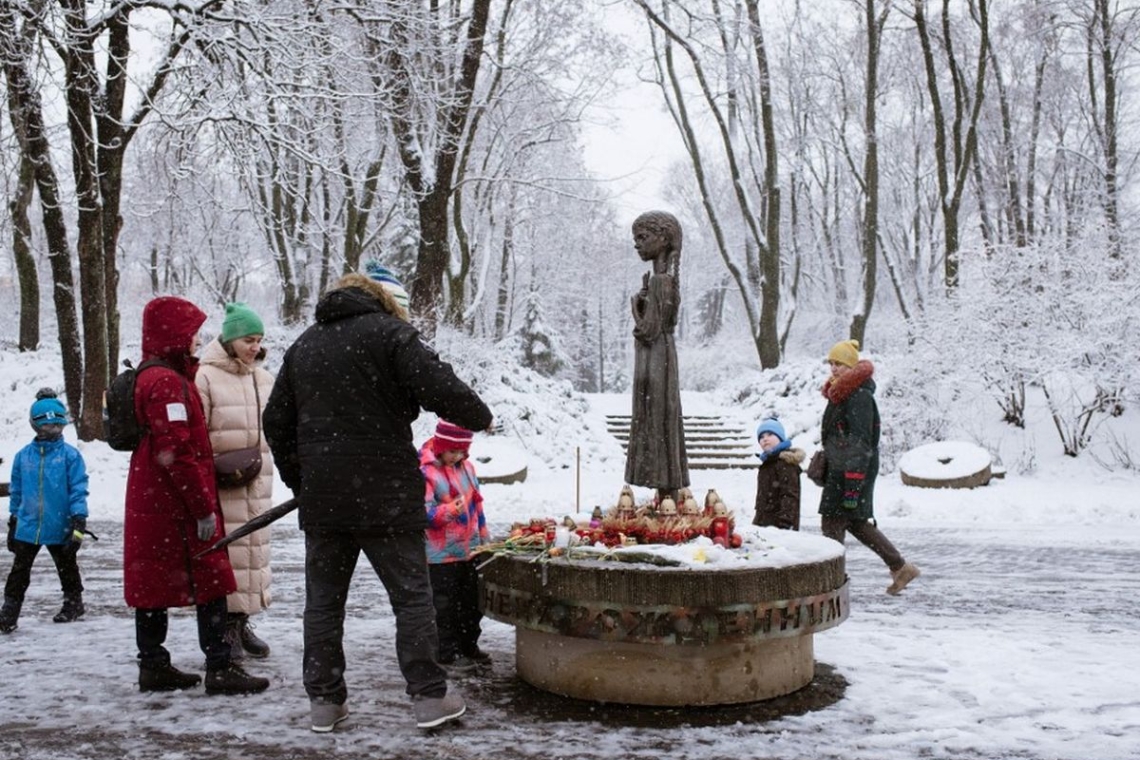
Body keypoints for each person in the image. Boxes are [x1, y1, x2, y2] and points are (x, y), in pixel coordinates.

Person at [263, 261, 493, 732]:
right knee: (411, 600)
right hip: (386, 494)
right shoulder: (391, 335)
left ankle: (325, 702)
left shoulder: (304, 346)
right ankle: (429, 697)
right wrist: (478, 414)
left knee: (324, 605)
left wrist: (302, 482)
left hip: (325, 500)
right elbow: (456, 399)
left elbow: (275, 422)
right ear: (385, 301)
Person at [123, 296, 270, 695]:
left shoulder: (153, 375)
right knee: (212, 580)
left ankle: (153, 664)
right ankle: (219, 666)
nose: (196, 340)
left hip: (155, 498)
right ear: (173, 335)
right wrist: (204, 507)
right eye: (190, 333)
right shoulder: (168, 384)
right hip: (175, 504)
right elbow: (179, 453)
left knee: (152, 583)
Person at [196, 302, 276, 661]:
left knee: (253, 554)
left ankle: (241, 621)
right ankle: (224, 624)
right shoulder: (205, 376)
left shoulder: (263, 377)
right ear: (229, 339)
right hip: (224, 480)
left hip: (257, 479)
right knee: (229, 555)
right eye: (248, 339)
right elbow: (197, 432)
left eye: (258, 340)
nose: (255, 347)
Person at [818, 339, 920, 595]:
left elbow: (861, 442)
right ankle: (900, 566)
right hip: (842, 469)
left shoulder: (859, 397)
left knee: (832, 524)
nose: (834, 368)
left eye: (839, 363)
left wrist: (853, 483)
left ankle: (829, 584)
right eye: (831, 363)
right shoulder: (841, 393)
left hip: (851, 471)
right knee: (856, 523)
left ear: (851, 366)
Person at [1, 390, 90, 633]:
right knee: (19, 570)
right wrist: (14, 521)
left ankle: (74, 603)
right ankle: (9, 612)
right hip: (28, 526)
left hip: (60, 523)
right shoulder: (23, 457)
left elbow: (78, 490)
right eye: (47, 426)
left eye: (57, 425)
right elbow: (17, 491)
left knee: (67, 565)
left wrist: (78, 521)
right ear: (35, 426)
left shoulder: (70, 456)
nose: (53, 431)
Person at [625, 210, 689, 503]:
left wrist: (636, 307)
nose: (637, 244)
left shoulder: (661, 280)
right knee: (661, 419)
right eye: (635, 238)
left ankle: (665, 486)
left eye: (643, 237)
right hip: (660, 357)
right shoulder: (664, 279)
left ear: (662, 239)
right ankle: (666, 489)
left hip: (656, 359)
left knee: (658, 419)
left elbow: (648, 329)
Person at [419, 420, 491, 673]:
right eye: (452, 451)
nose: (457, 456)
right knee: (444, 607)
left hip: (470, 550)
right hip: (440, 555)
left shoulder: (467, 468)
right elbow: (422, 513)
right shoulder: (427, 472)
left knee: (472, 601)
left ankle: (468, 645)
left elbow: (477, 506)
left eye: (462, 451)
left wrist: (484, 538)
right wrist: (448, 511)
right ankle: (447, 651)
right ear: (441, 447)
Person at [752, 417, 804, 531]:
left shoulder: (785, 463)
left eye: (770, 434)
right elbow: (762, 500)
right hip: (765, 524)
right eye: (761, 437)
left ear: (780, 438)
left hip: (780, 527)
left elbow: (790, 495)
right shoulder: (768, 464)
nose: (765, 439)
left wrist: (785, 524)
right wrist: (757, 522)